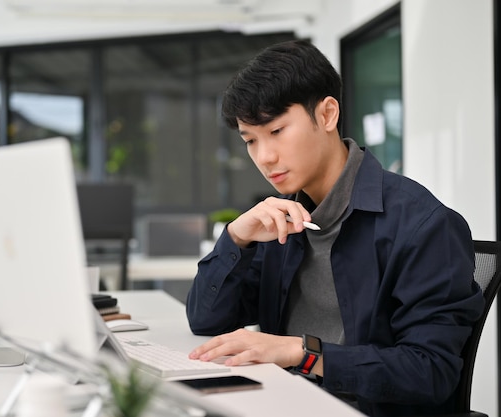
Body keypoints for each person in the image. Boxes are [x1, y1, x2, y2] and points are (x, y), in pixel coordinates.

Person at [185, 40, 484, 417]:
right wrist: (236, 238)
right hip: (280, 401)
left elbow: (430, 372)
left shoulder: (423, 225)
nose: (264, 157)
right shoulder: (280, 219)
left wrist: (303, 354)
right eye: (250, 141)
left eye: (276, 131)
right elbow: (206, 321)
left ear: (327, 115)